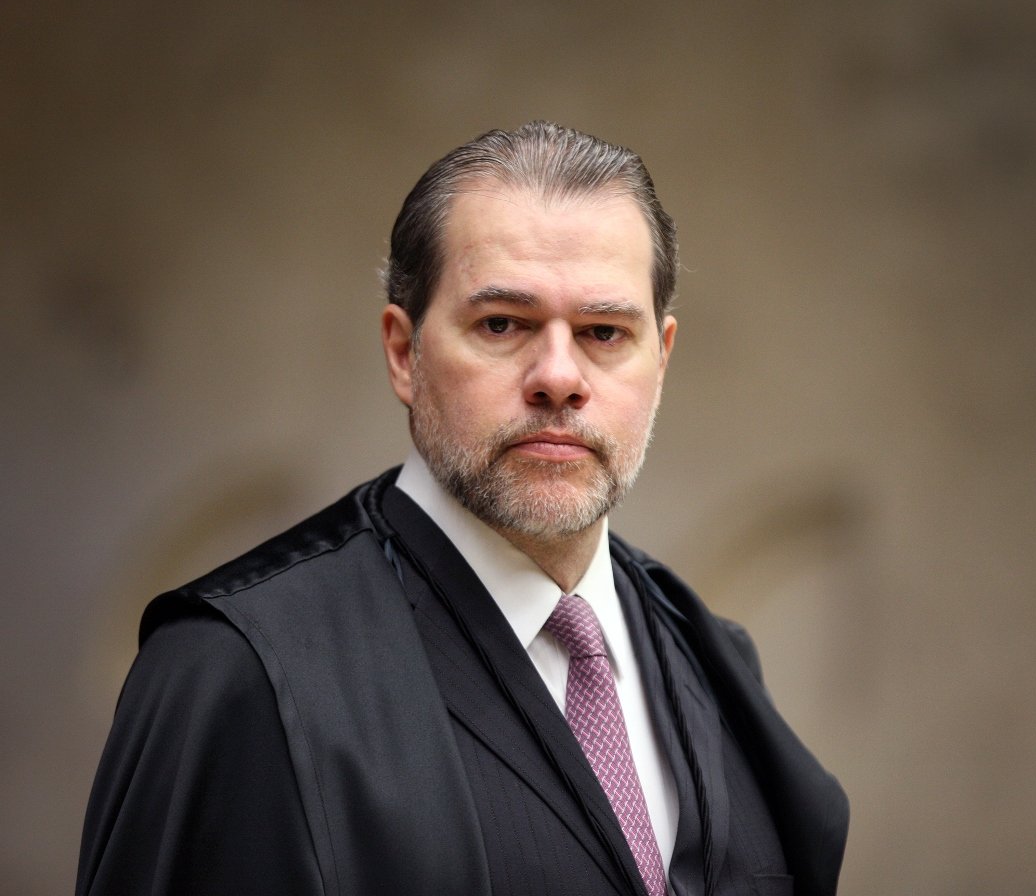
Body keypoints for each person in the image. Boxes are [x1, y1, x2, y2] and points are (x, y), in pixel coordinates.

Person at [77, 121, 848, 896]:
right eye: (502, 324)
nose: (558, 377)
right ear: (403, 353)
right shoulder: (233, 670)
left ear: (662, 359)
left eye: (604, 332)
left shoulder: (716, 667)